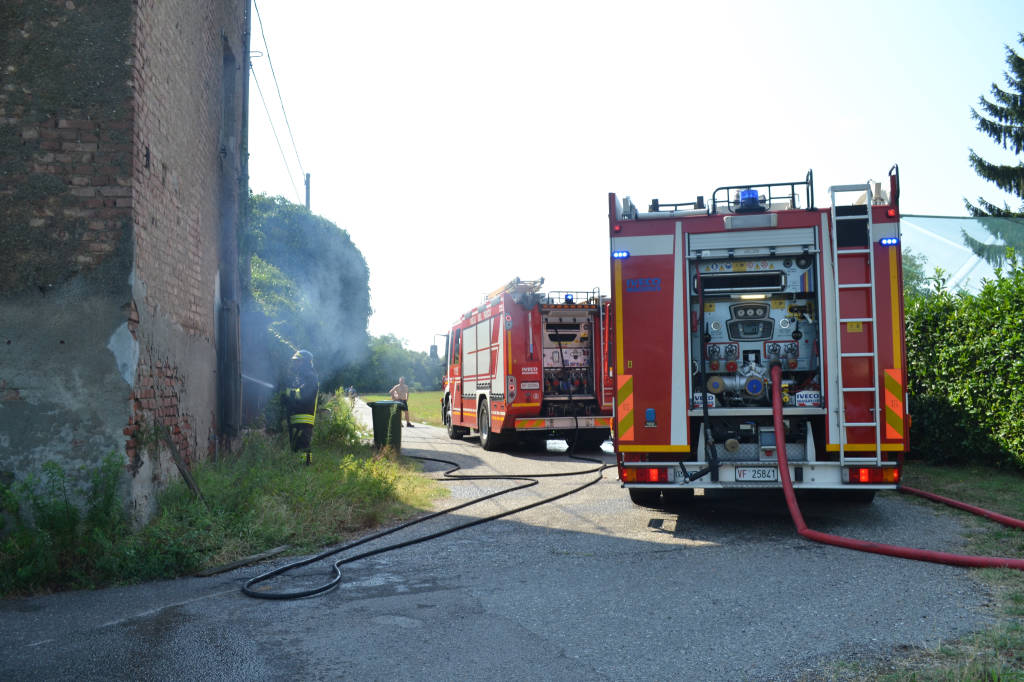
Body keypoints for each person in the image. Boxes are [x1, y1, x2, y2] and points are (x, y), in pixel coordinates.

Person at [282, 349, 319, 465]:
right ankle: (300, 466)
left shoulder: (311, 377)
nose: (295, 364)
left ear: (305, 362)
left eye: (298, 361)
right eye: (295, 361)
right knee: (296, 444)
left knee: (304, 443)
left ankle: (306, 465)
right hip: (297, 415)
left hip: (305, 416)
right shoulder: (301, 376)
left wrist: (288, 393)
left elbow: (304, 394)